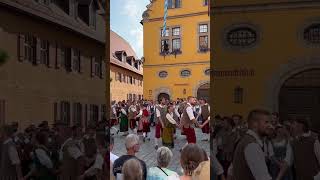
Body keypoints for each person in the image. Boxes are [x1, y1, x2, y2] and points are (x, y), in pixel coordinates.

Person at [232, 109, 272, 180]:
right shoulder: (252, 145)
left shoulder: (246, 139)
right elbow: (263, 177)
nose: (270, 125)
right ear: (255, 124)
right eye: (266, 122)